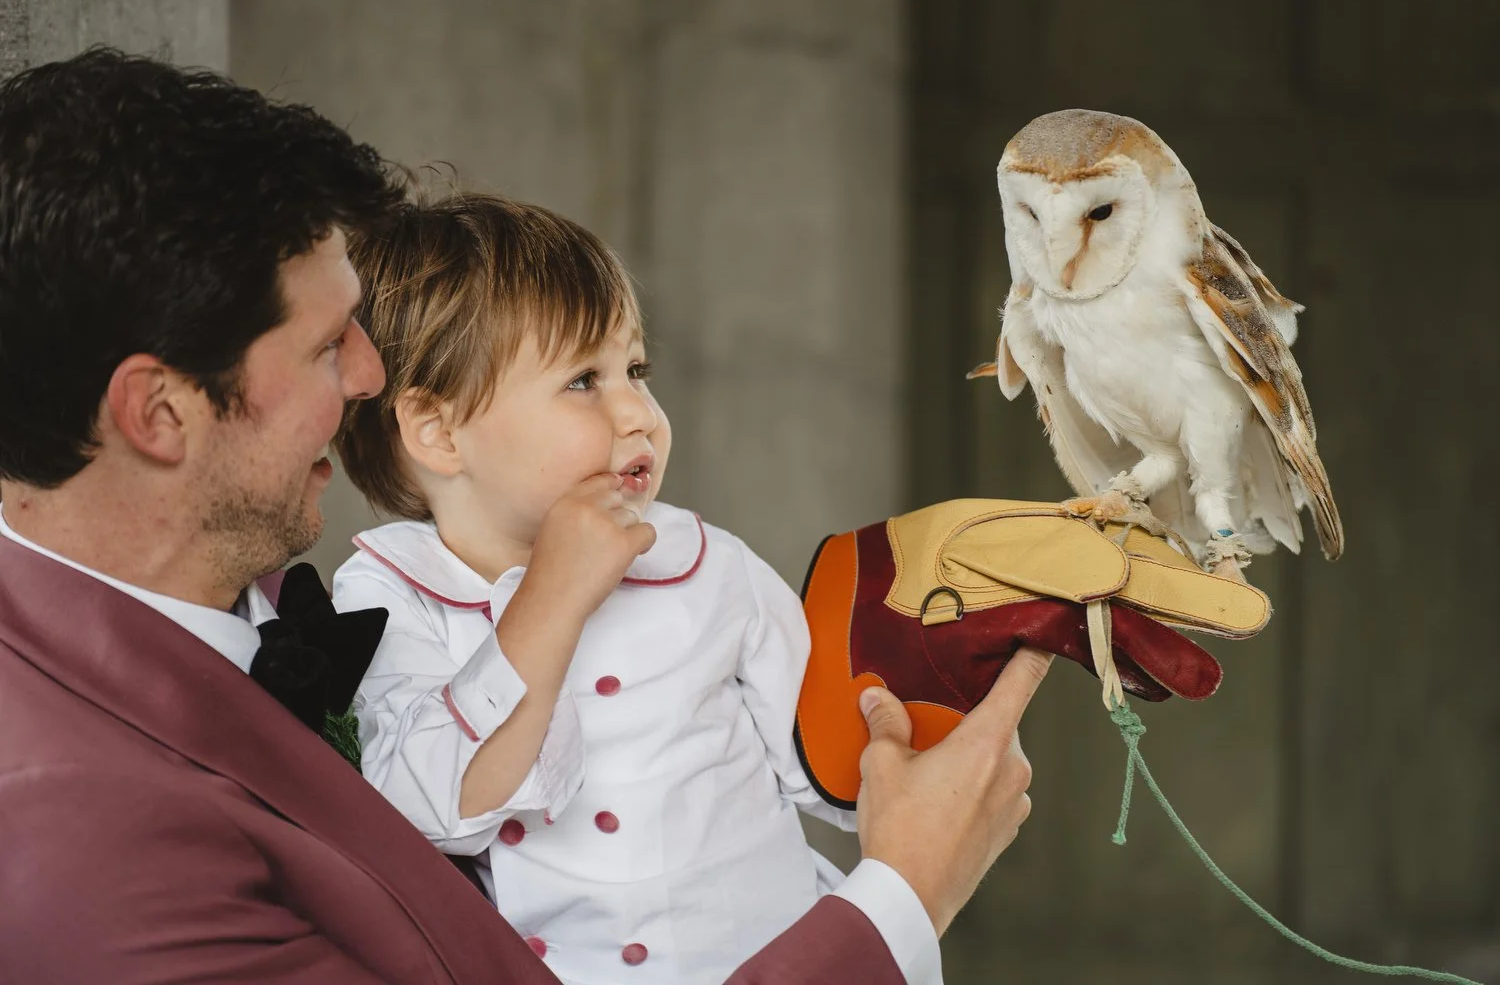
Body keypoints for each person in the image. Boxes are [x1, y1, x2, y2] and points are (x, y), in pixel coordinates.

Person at [0, 49, 1048, 984]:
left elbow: (818, 743)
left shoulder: (257, 600)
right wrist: (903, 898)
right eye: (329, 345)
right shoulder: (91, 852)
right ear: (159, 413)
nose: (372, 377)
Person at [333, 192, 910, 983]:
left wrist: (929, 683)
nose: (638, 413)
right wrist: (553, 597)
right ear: (438, 430)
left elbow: (835, 767)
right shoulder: (392, 591)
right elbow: (432, 809)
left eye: (636, 369)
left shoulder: (706, 562)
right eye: (583, 381)